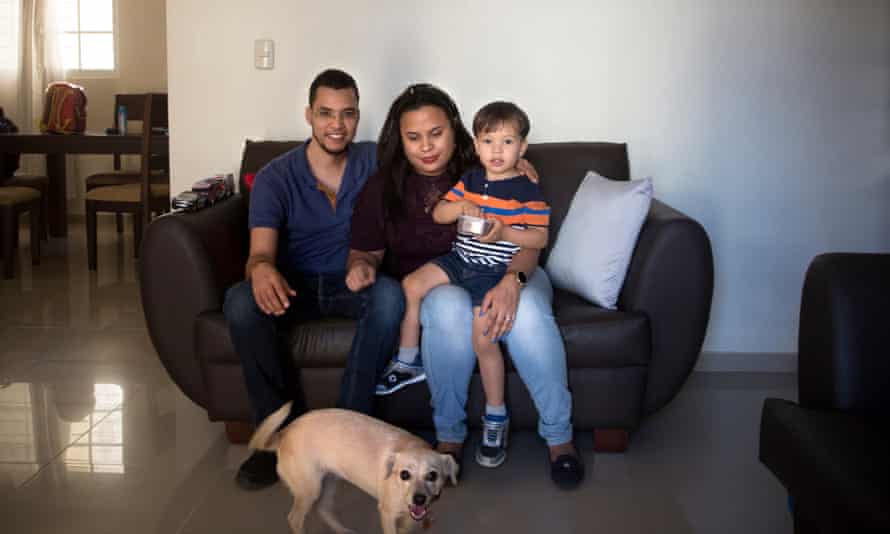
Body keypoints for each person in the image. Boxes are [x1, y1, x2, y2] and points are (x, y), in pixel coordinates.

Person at [348, 84, 584, 488]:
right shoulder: (385, 186)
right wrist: (360, 265)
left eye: (436, 133)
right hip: (452, 276)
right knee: (442, 309)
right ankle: (449, 435)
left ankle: (559, 438)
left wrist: (514, 280)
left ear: (457, 132)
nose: (426, 146)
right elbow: (364, 250)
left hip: (513, 267)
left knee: (526, 316)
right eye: (413, 137)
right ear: (399, 140)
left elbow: (528, 238)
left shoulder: (486, 168)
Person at [222, 69, 404, 490]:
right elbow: (260, 254)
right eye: (325, 113)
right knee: (240, 302)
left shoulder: (376, 162)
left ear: (358, 117)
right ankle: (275, 443)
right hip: (295, 285)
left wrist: (509, 166)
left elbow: (440, 162)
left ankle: (347, 434)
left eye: (347, 114)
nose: (337, 125)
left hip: (353, 282)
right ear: (308, 115)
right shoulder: (274, 176)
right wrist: (263, 269)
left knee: (391, 297)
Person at [382, 101, 550, 469]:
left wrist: (505, 231)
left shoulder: (527, 191)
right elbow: (440, 212)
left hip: (493, 272)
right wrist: (460, 208)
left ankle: (495, 415)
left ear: (522, 149)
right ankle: (409, 360)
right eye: (489, 141)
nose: (497, 151)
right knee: (411, 284)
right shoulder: (471, 179)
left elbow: (538, 239)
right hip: (460, 261)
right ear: (476, 145)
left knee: (483, 341)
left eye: (507, 143)